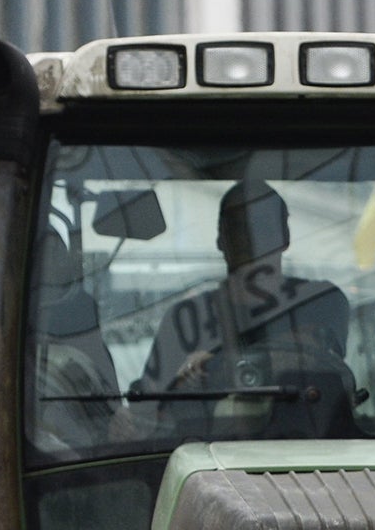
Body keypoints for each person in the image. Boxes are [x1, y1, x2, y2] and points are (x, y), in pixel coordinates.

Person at [139, 179, 351, 435]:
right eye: (240, 226)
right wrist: (188, 381)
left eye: (262, 225)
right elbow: (149, 410)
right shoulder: (184, 321)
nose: (251, 237)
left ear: (285, 236)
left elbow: (326, 369)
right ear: (220, 238)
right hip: (205, 452)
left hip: (314, 446)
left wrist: (218, 365)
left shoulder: (321, 302)